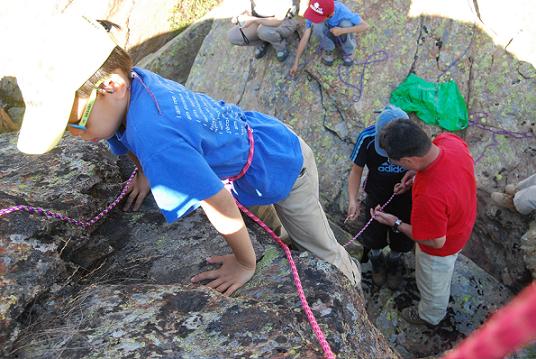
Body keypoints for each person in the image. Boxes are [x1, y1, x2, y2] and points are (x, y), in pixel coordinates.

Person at [14, 14, 360, 296]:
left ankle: (351, 282)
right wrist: (143, 172)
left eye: (75, 121)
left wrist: (245, 262)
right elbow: (122, 133)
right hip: (255, 156)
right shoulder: (135, 83)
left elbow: (218, 202)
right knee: (275, 222)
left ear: (111, 86)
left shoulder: (155, 136)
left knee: (319, 245)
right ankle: (285, 238)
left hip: (284, 166)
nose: (77, 136)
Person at [372, 120, 477, 327]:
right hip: (462, 221)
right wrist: (416, 174)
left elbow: (435, 241)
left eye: (398, 163)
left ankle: (430, 316)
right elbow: (446, 170)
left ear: (410, 160)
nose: (398, 166)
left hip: (441, 250)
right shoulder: (448, 141)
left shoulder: (429, 196)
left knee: (433, 288)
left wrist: (395, 222)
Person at [346, 105, 414, 289]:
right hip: (376, 195)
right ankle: (376, 260)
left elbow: (421, 167)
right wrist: (353, 199)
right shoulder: (367, 138)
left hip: (406, 197)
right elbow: (356, 170)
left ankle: (394, 261)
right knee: (373, 235)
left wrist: (411, 180)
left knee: (402, 236)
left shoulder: (412, 139)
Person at [290, 0, 369, 76]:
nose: (313, 17)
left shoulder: (341, 10)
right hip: (329, 31)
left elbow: (365, 26)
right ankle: (329, 49)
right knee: (316, 26)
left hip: (341, 29)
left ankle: (349, 50)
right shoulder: (315, 10)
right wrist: (296, 62)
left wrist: (342, 31)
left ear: (330, 14)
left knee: (346, 24)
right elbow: (305, 37)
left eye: (317, 17)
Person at [228, 0, 300, 62]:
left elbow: (278, 21)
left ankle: (281, 46)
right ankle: (263, 41)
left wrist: (254, 19)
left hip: (284, 22)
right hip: (261, 21)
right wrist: (240, 17)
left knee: (263, 31)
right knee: (233, 36)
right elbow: (248, 11)